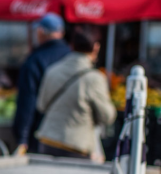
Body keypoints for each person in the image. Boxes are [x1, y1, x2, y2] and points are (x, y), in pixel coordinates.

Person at [34, 29, 116, 159]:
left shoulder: (52, 70)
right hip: (77, 145)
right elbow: (107, 116)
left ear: (71, 46)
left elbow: (41, 105)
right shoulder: (94, 78)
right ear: (96, 47)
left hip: (47, 139)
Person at [13, 13, 71, 154]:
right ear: (61, 32)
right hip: (70, 133)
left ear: (40, 32)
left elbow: (28, 101)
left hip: (42, 133)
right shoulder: (72, 56)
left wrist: (22, 137)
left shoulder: (35, 60)